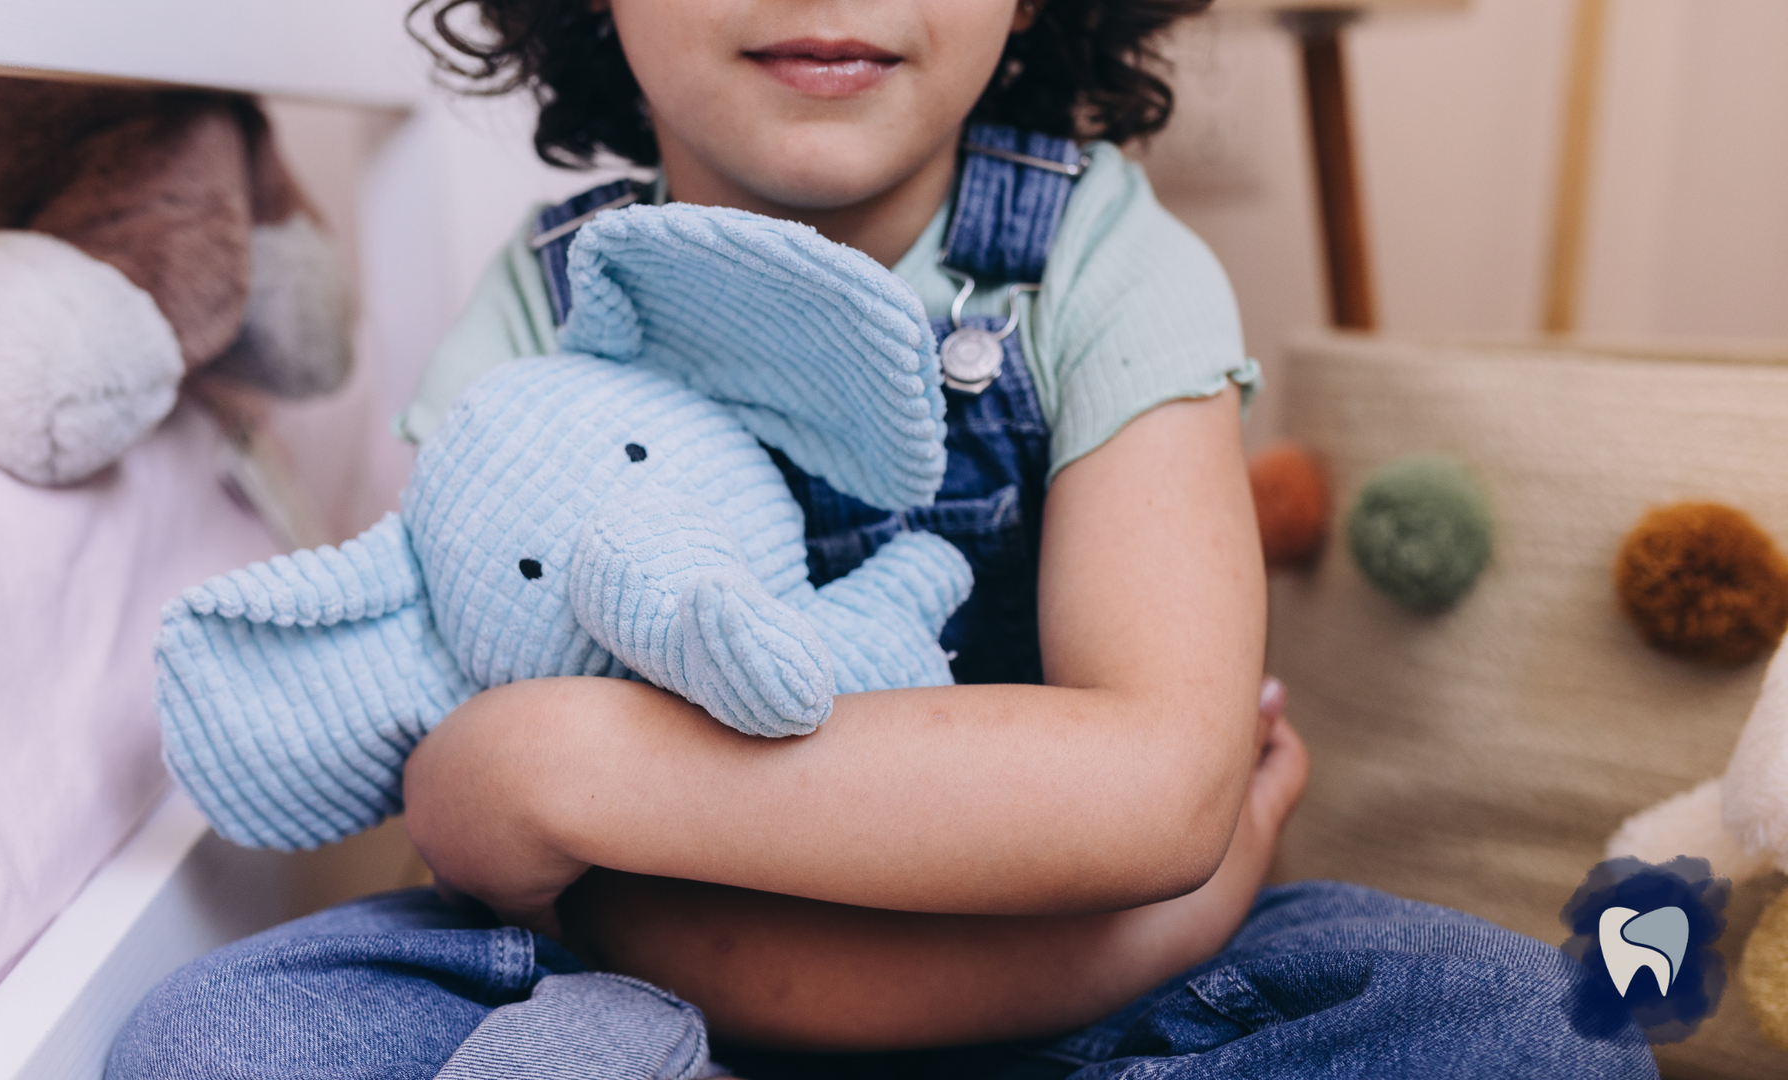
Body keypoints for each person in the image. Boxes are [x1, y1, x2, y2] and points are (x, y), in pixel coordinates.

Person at [109, 1, 1657, 1076]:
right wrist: (1169, 899)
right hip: (626, 1000)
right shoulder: (550, 300)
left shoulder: (1097, 260)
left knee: (1514, 1025)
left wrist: (566, 766)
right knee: (219, 1044)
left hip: (1080, 984)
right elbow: (499, 857)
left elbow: (1154, 798)